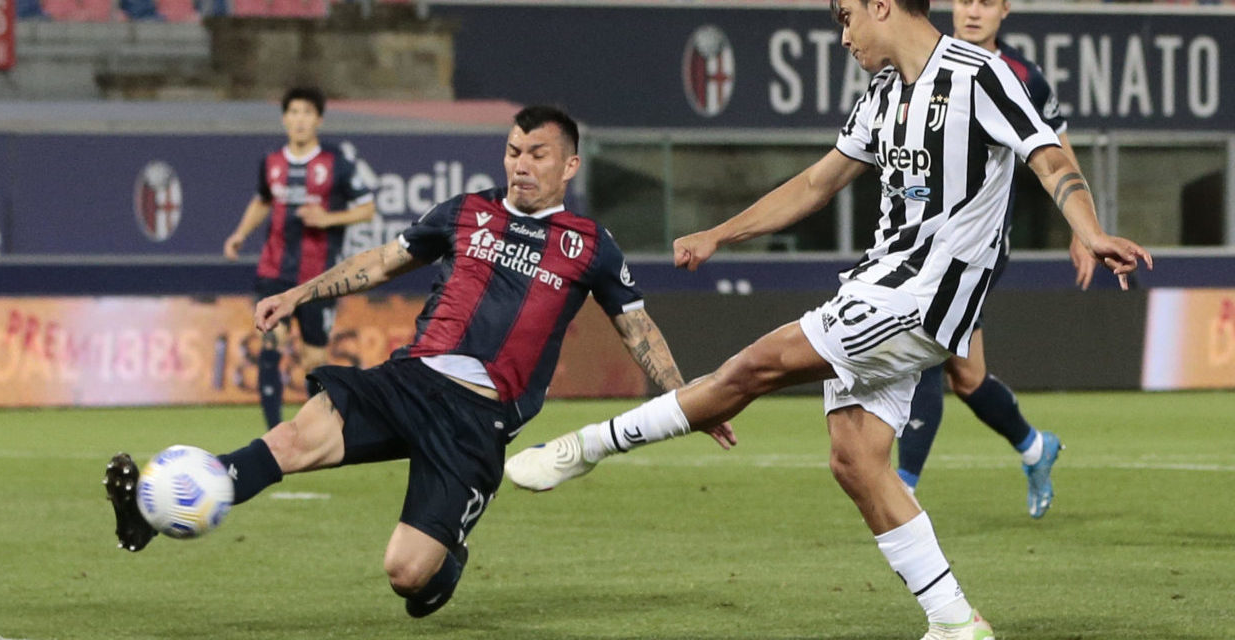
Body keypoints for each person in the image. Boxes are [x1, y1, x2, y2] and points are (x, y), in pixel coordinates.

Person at [504, 1, 1151, 638]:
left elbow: (1051, 159)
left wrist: (1088, 231)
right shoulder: (881, 95)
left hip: (922, 298)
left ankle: (588, 446)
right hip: (881, 283)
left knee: (756, 366)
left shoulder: (981, 76)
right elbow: (817, 183)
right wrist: (722, 234)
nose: (843, 36)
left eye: (845, 17)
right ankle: (955, 620)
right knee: (855, 459)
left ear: (881, 6)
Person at [104, 105, 735, 618]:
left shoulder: (590, 245)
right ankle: (148, 516)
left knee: (407, 576)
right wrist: (298, 294)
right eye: (514, 151)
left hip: (477, 418)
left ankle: (444, 564)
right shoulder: (464, 213)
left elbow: (638, 330)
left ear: (569, 163)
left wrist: (691, 403)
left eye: (537, 154)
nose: (521, 165)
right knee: (295, 436)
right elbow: (380, 261)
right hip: (410, 379)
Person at [895, 0, 1100, 518]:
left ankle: (902, 488)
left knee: (925, 348)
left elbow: (1056, 152)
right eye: (964, 0)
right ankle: (1035, 447)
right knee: (966, 376)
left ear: (1005, 9)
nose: (972, 11)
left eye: (986, 1)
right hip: (920, 241)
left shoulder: (1021, 78)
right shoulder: (924, 63)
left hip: (977, 248)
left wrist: (1084, 229)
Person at [222, 87, 376, 430]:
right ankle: (274, 432)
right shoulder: (272, 161)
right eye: (293, 112)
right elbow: (263, 200)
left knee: (315, 359)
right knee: (271, 343)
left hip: (319, 278)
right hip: (273, 271)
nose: (299, 119)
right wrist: (240, 234)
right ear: (284, 118)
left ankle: (311, 434)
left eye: (307, 112)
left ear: (318, 119)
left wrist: (327, 219)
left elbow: (368, 209)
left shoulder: (336, 163)